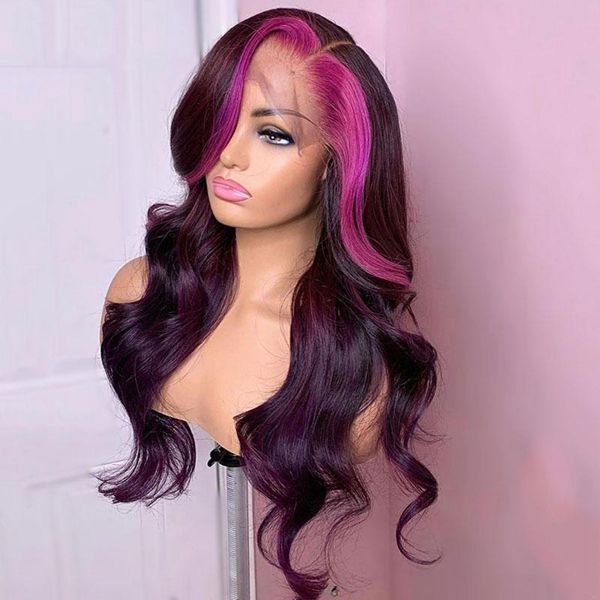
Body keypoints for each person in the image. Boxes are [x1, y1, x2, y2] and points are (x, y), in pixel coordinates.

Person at [98, 8, 441, 599]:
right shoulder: (142, 292)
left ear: (336, 161)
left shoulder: (355, 374)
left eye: (273, 134)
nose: (228, 154)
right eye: (222, 120)